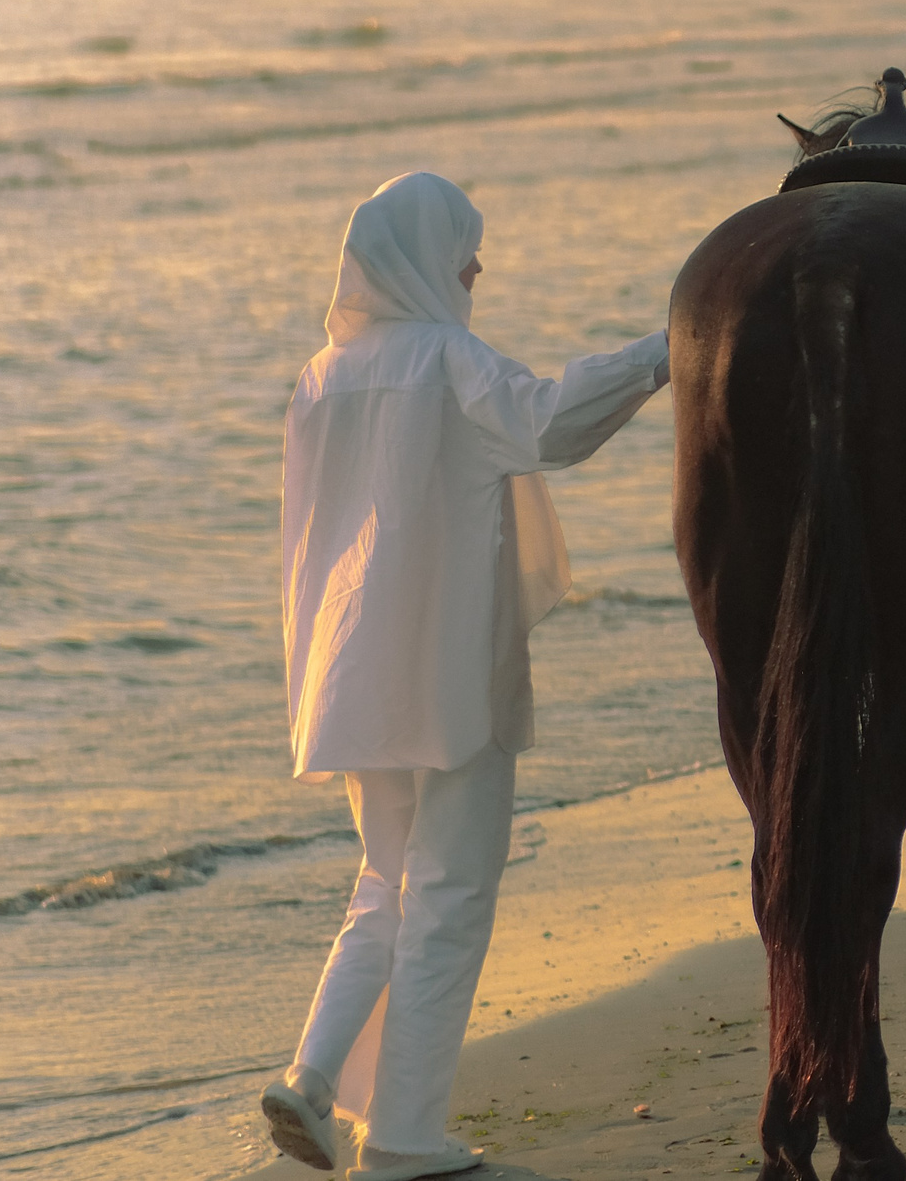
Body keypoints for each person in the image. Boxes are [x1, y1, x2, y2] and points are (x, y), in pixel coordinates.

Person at [258, 173, 671, 1180]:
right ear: (420, 257)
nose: (476, 267)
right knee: (447, 896)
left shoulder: (321, 375)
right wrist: (668, 350)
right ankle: (401, 1137)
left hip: (352, 674)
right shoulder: (446, 360)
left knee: (385, 887)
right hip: (443, 672)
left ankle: (312, 1080)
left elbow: (306, 538)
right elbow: (552, 423)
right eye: (465, 249)